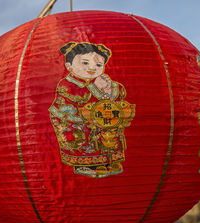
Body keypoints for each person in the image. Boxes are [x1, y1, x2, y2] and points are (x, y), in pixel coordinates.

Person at [49, 42, 135, 178]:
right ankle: (84, 164)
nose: (92, 68)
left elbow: (114, 97)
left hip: (99, 120)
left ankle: (108, 162)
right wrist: (95, 87)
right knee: (85, 140)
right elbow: (77, 98)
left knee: (108, 136)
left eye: (98, 65)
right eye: (85, 63)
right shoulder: (67, 83)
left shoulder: (99, 81)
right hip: (74, 120)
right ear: (69, 66)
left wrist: (108, 88)